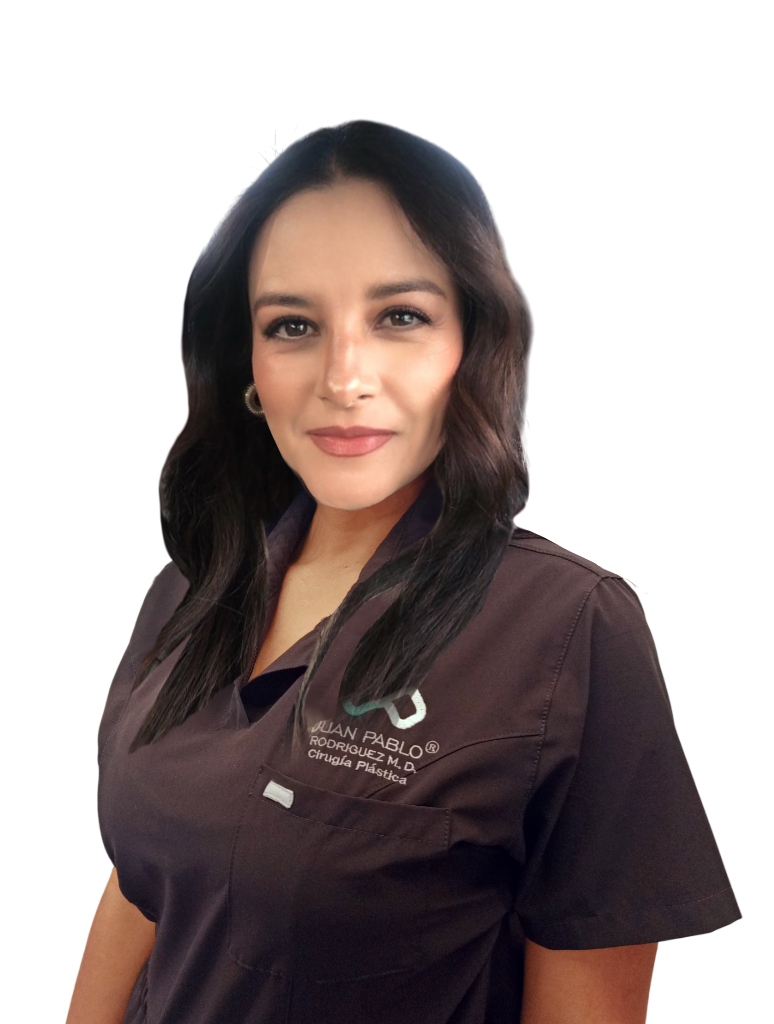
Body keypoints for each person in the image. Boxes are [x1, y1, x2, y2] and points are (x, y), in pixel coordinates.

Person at [66, 120, 740, 1024]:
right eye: (294, 325)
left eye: (400, 318)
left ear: (472, 344)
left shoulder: (569, 631)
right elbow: (144, 882)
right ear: (248, 366)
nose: (344, 378)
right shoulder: (193, 587)